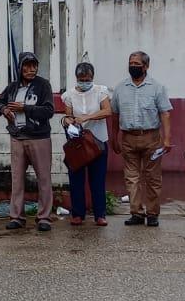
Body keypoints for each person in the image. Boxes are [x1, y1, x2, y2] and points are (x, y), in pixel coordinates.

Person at [0, 52, 57, 232]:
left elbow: (48, 111)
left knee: (44, 179)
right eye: (27, 66)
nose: (31, 69)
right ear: (20, 68)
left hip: (39, 138)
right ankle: (17, 217)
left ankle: (44, 217)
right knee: (17, 180)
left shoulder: (43, 85)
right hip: (18, 138)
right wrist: (5, 110)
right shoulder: (13, 87)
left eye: (34, 66)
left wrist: (25, 108)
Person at [112, 51, 173, 227]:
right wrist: (114, 137)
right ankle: (136, 213)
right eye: (131, 63)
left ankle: (152, 213)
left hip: (151, 138)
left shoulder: (157, 87)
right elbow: (115, 115)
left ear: (146, 66)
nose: (133, 66)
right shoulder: (120, 88)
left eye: (137, 64)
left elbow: (165, 114)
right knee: (132, 178)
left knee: (152, 177)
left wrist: (167, 139)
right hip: (128, 138)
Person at [62, 61, 111, 226]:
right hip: (77, 144)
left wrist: (87, 117)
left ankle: (100, 214)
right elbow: (68, 115)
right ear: (76, 78)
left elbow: (107, 111)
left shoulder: (100, 91)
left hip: (98, 142)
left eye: (87, 79)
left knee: (97, 180)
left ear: (92, 77)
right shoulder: (69, 95)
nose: (84, 82)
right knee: (76, 180)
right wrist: (69, 121)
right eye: (81, 79)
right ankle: (77, 214)